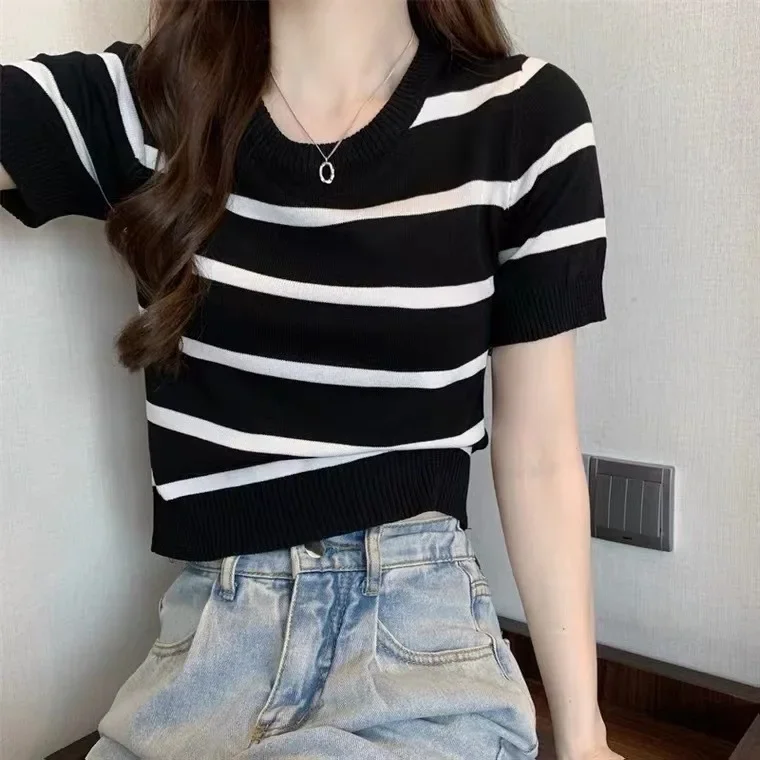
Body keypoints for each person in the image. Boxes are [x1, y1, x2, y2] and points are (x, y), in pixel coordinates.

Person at [0, 1, 621, 758]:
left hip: (413, 645)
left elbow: (540, 456)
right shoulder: (150, 104)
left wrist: (584, 736)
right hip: (205, 657)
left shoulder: (525, 118)